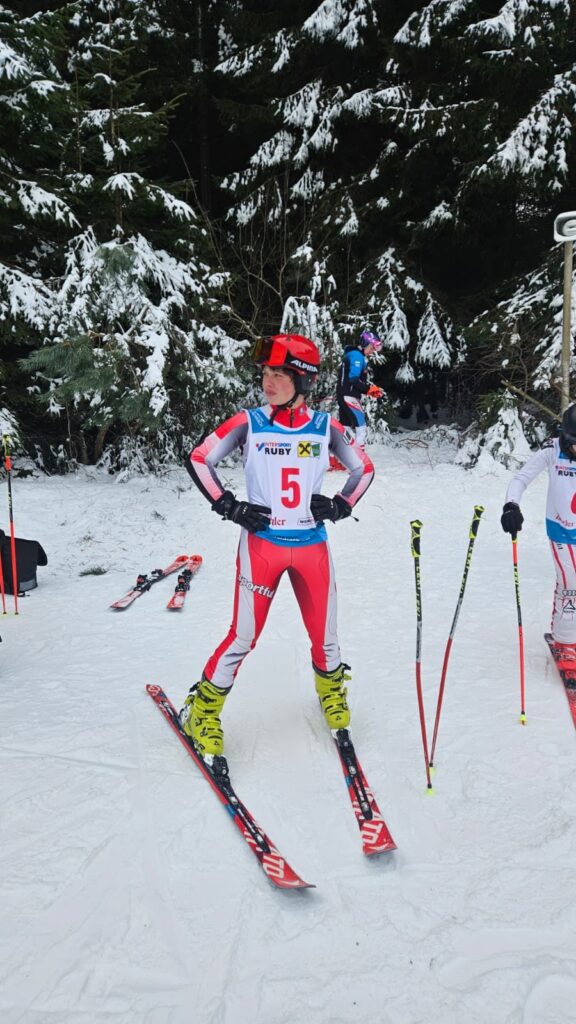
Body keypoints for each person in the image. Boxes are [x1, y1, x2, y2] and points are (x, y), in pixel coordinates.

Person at [181, 333, 375, 759]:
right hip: (262, 547)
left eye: (279, 374)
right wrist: (229, 506)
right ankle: (202, 710)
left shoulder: (326, 427)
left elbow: (364, 469)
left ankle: (331, 693)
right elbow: (199, 458)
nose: (268, 382)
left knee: (325, 636)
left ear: (303, 380)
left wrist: (341, 505)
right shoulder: (249, 422)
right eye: (266, 373)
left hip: (311, 546)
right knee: (243, 637)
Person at [501, 404, 576, 649]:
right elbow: (521, 478)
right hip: (561, 529)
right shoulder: (552, 450)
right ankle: (566, 642)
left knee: (569, 581)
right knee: (571, 582)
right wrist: (511, 506)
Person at [336, 330, 384, 453]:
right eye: (371, 347)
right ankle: (358, 457)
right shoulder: (357, 356)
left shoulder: (354, 355)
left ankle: (339, 457)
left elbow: (353, 381)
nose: (372, 351)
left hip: (345, 395)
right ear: (364, 344)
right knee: (361, 427)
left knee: (345, 427)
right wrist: (369, 389)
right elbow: (353, 379)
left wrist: (369, 391)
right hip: (348, 396)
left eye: (374, 349)